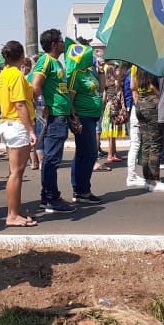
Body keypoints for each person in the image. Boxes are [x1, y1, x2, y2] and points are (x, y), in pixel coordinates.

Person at [32, 28, 78, 214]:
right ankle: (51, 198)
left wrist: (72, 114)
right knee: (51, 159)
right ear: (52, 44)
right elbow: (35, 86)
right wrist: (42, 105)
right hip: (54, 116)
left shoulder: (57, 63)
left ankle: (48, 197)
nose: (63, 44)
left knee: (53, 159)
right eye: (60, 41)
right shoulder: (45, 61)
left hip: (62, 115)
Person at [0, 41, 38, 227]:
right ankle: (12, 214)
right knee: (16, 172)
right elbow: (20, 104)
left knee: (16, 171)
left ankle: (16, 210)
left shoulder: (4, 74)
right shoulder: (15, 76)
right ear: (21, 56)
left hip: (7, 123)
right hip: (16, 124)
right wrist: (30, 130)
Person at [66, 40, 104, 203]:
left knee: (83, 153)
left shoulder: (89, 72)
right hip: (83, 117)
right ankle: (82, 190)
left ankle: (80, 190)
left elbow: (101, 88)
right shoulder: (76, 74)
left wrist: (101, 72)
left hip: (92, 117)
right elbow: (70, 98)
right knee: (89, 153)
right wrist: (74, 118)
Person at [131, 64, 164, 192]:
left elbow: (133, 87)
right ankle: (154, 180)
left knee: (146, 143)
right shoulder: (152, 64)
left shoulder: (135, 65)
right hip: (152, 101)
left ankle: (147, 178)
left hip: (140, 102)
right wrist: (161, 98)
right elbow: (152, 85)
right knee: (155, 143)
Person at [100, 61, 127, 164]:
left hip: (108, 107)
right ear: (113, 71)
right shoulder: (116, 82)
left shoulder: (106, 83)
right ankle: (110, 155)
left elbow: (104, 98)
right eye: (117, 69)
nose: (118, 70)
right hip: (115, 108)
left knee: (112, 134)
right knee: (112, 134)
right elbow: (120, 94)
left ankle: (114, 153)